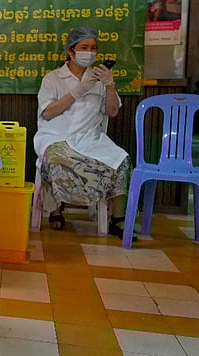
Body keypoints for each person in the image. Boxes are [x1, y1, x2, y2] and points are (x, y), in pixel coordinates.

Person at [33, 27, 132, 239]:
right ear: (71, 51)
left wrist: (110, 85)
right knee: (56, 159)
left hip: (90, 138)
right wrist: (78, 91)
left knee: (121, 160)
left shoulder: (99, 78)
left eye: (93, 48)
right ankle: (55, 209)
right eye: (84, 47)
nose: (90, 52)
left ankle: (117, 219)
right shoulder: (53, 79)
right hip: (56, 137)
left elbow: (112, 111)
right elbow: (48, 113)